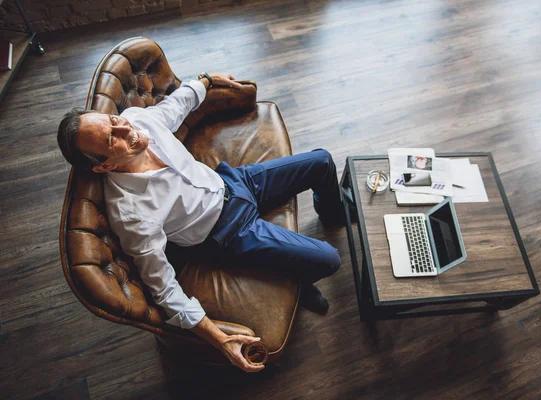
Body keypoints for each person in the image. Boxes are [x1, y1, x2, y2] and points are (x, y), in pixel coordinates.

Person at [56, 72, 346, 373]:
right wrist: (221, 340)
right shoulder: (131, 214)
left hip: (233, 182)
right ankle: (299, 280)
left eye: (113, 121)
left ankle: (333, 212)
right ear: (105, 165)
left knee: (322, 160)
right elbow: (164, 290)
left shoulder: (136, 120)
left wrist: (206, 80)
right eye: (110, 138)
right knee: (328, 259)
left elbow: (177, 105)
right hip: (230, 232)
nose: (123, 128)